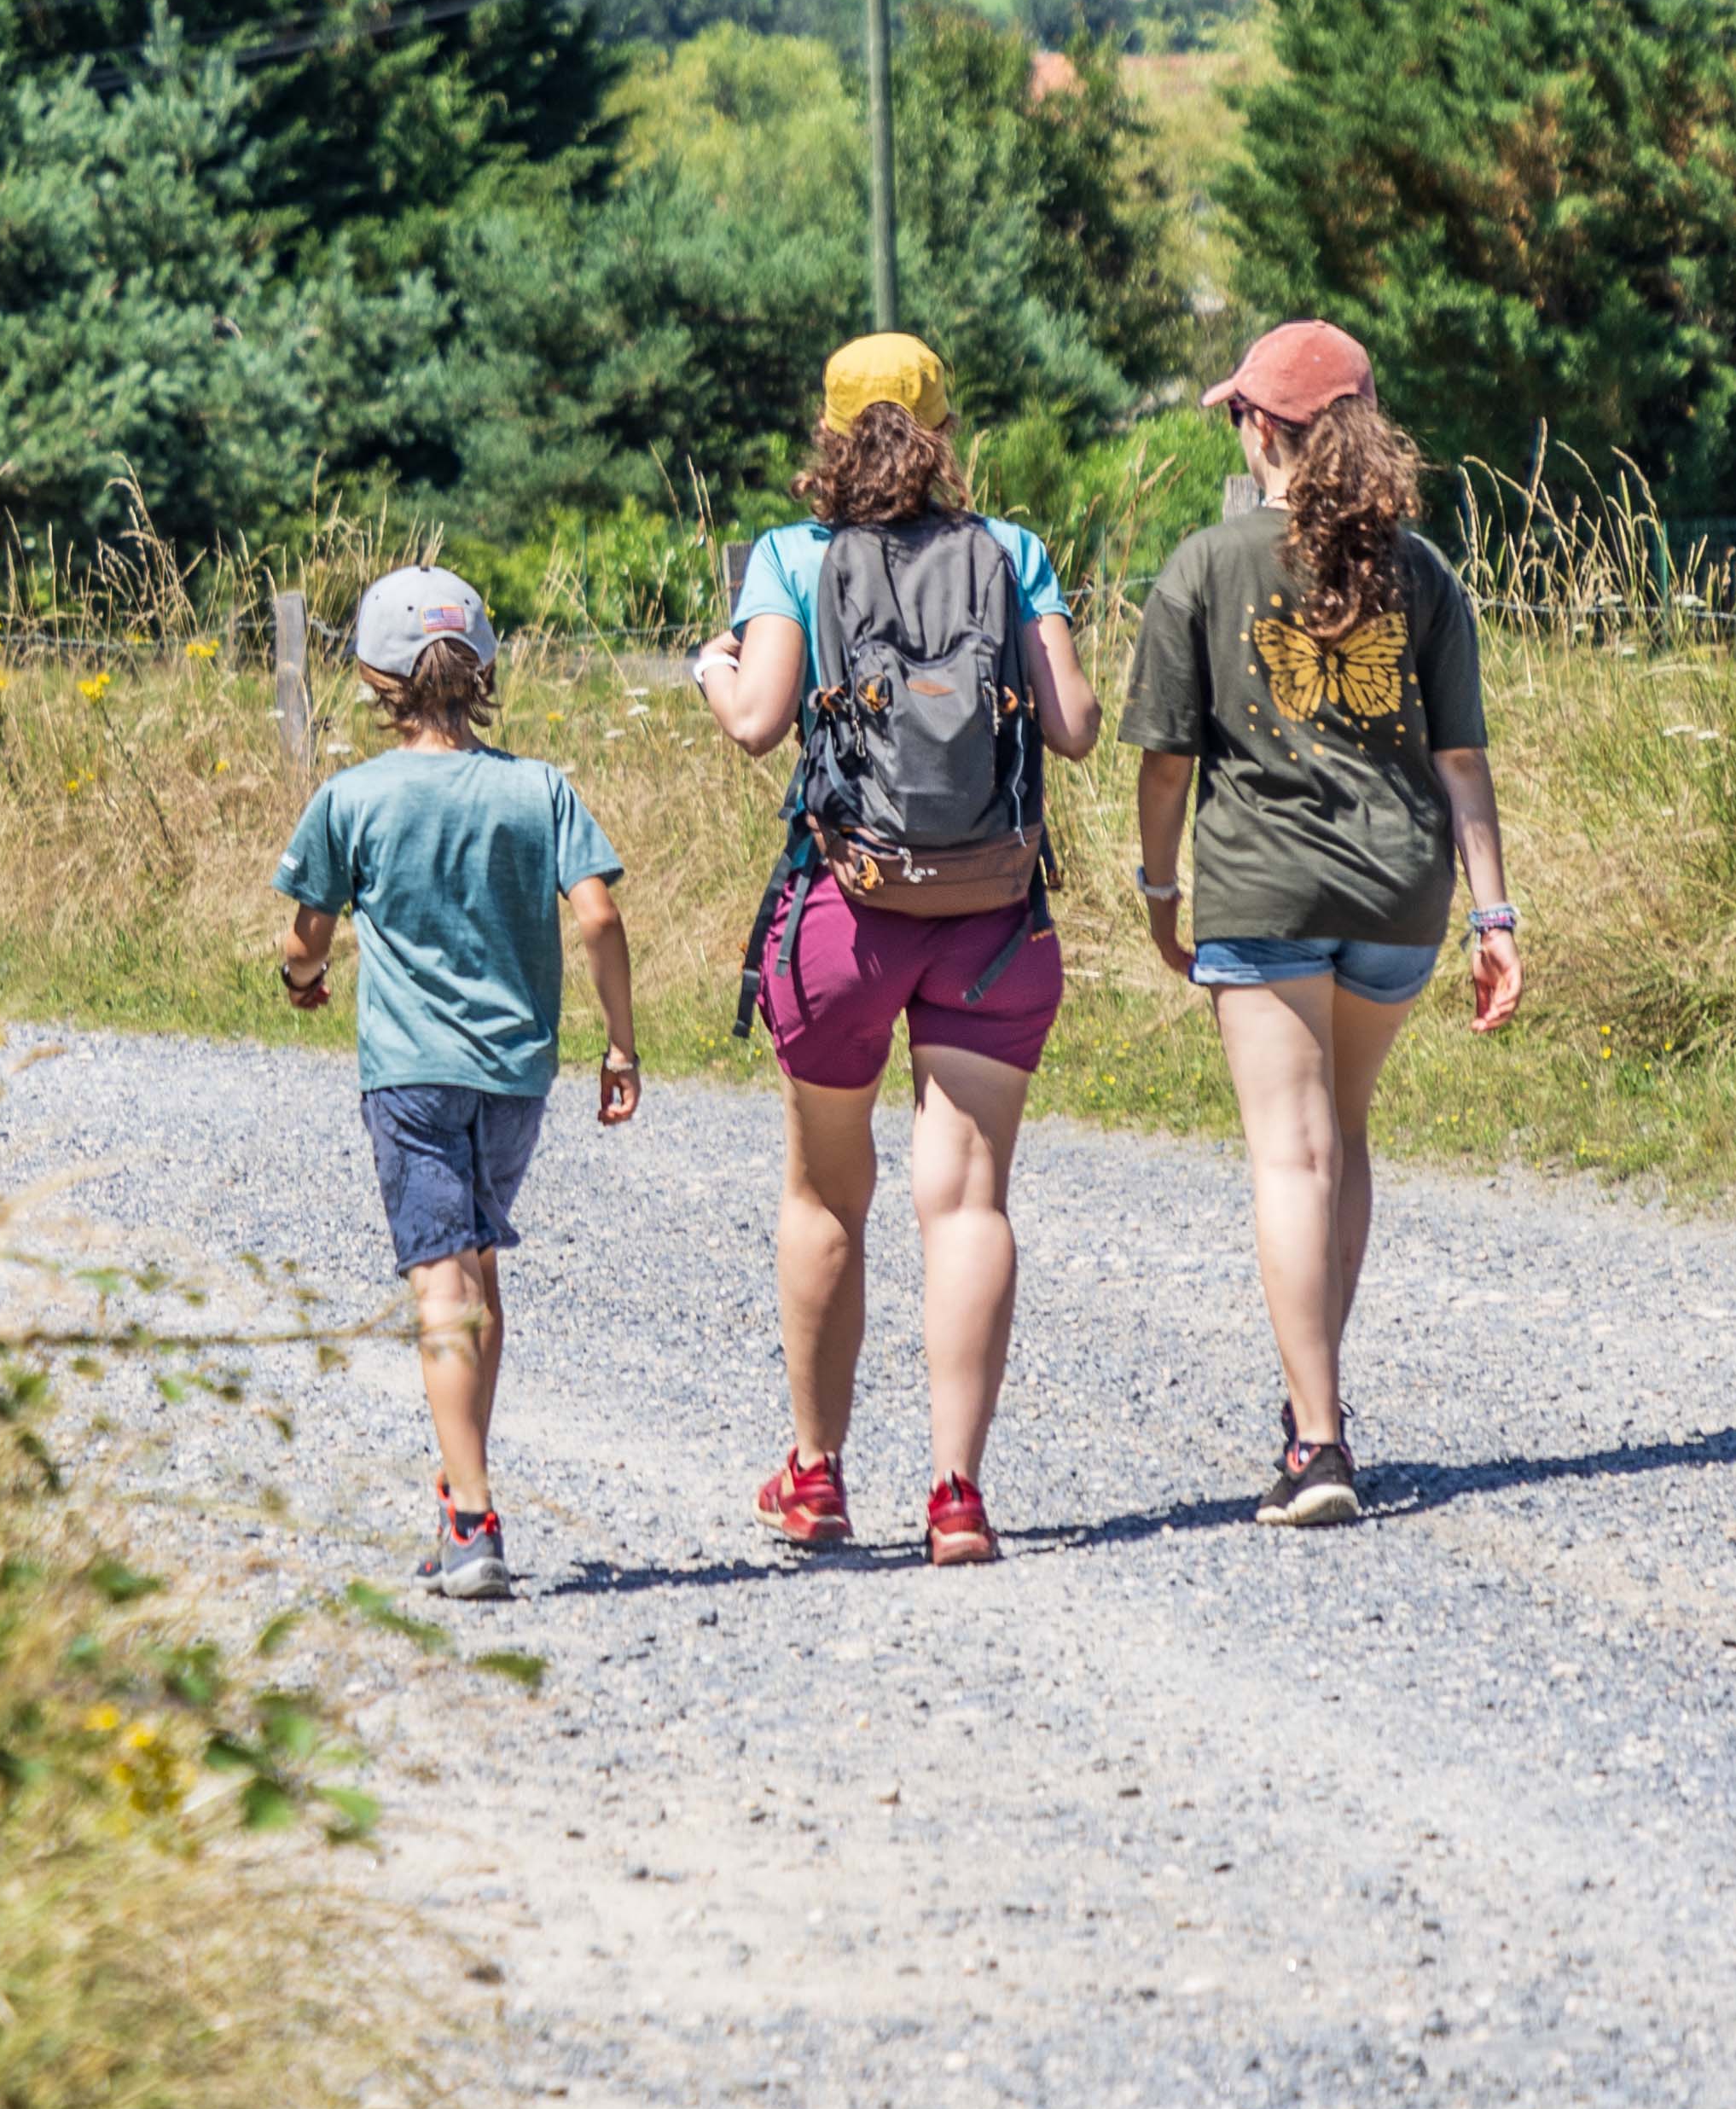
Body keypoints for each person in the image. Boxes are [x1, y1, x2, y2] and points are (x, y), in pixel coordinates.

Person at [691, 334, 1103, 1566]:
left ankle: (816, 1477)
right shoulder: (1010, 550)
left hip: (844, 917)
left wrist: (711, 668)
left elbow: (757, 721)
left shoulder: (791, 556)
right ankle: (957, 1495)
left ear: (827, 433)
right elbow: (1076, 726)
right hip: (992, 918)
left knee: (828, 1193)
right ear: (944, 429)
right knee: (967, 1199)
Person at [1118, 319, 1522, 1531]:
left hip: (1265, 891)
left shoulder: (1205, 564)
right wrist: (1495, 913)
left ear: (1262, 429)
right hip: (1400, 896)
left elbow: (1165, 764)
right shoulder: (1424, 572)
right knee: (1339, 1137)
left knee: (1290, 1156)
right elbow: (1461, 764)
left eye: (1240, 415)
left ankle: (1319, 1436)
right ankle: (1312, 1407)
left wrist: (1158, 890)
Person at [272, 566, 642, 1601]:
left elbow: (308, 936)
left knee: (442, 1282)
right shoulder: (540, 788)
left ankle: (473, 1520)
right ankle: (457, 1484)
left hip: (411, 1076)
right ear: (483, 667)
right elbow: (600, 916)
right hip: (516, 1077)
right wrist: (620, 1044)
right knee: (477, 1267)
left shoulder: (352, 797)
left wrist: (301, 978)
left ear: (371, 676)